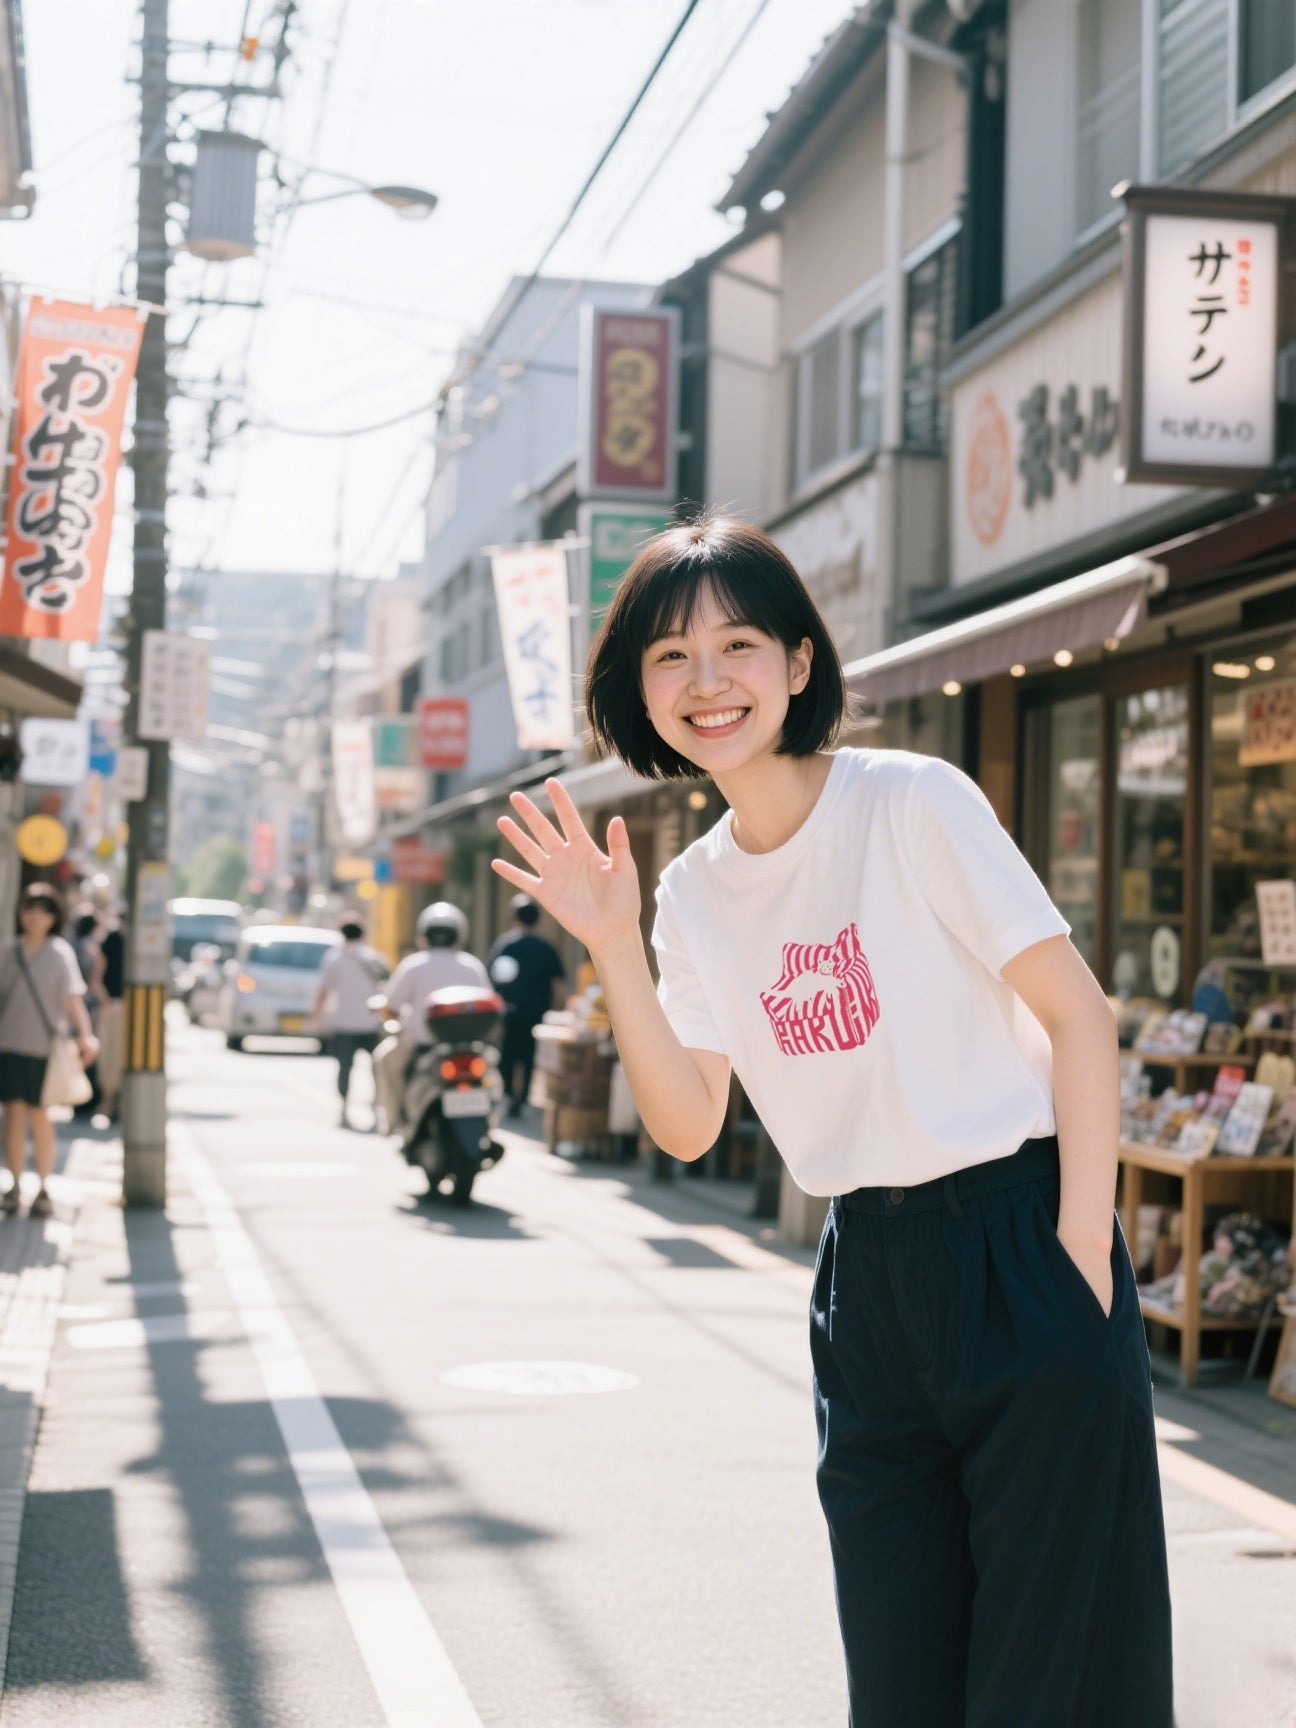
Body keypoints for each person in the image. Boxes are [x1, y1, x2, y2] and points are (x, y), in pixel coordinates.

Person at [493, 516, 1173, 1727]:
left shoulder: (910, 802)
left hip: (1021, 1240)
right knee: (901, 1676)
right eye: (669, 658)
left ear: (800, 664)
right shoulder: (691, 893)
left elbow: (1080, 1015)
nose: (708, 683)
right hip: (869, 1278)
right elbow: (691, 1125)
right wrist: (612, 948)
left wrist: (1079, 1259)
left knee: (1054, 1675)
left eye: (738, 645)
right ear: (636, 693)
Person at [0, 884, 98, 1218]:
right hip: (9, 1043)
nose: (34, 917)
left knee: (39, 1116)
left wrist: (86, 1035)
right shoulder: (9, 951)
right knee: (12, 1115)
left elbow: (73, 1000)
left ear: (53, 917)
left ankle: (43, 1188)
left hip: (44, 1047)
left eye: (43, 910)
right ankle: (14, 1185)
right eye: (30, 909)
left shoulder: (60, 953)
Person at [372, 903, 491, 1135]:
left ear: (424, 934)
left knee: (384, 1058)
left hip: (421, 1045)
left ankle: (396, 1121)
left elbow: (391, 1006)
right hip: (468, 1047)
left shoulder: (414, 964)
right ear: (459, 934)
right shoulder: (472, 965)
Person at [486, 894, 565, 1116]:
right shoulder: (546, 948)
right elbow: (558, 983)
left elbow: (491, 977)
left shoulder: (504, 944)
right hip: (536, 1012)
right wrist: (557, 1009)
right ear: (537, 920)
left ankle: (509, 1093)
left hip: (509, 1012)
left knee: (508, 1054)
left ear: (515, 918)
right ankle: (525, 1097)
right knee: (530, 1055)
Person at [311, 917, 388, 1128]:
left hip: (345, 1024)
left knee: (345, 1070)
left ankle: (344, 1108)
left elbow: (323, 990)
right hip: (372, 1024)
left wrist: (317, 1016)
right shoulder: (375, 958)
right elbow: (386, 989)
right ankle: (376, 1108)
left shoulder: (335, 959)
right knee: (376, 1070)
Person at [95, 910, 126, 1123]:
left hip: (130, 1006)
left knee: (123, 1054)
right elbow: (97, 975)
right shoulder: (112, 940)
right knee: (109, 1054)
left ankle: (118, 1103)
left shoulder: (145, 942)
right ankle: (107, 1101)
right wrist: (104, 1000)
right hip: (113, 1004)